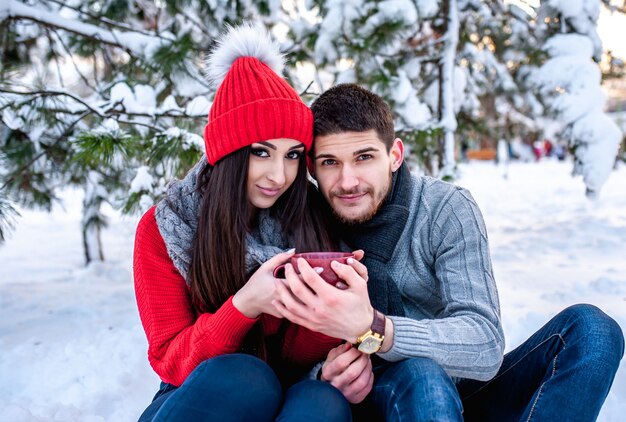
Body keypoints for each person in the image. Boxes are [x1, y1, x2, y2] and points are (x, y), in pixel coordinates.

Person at [272, 83, 625, 421]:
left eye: (364, 157)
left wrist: (375, 329)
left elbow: (485, 343)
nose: (348, 181)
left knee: (593, 331)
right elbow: (275, 348)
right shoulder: (304, 222)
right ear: (311, 168)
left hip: (465, 391)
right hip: (375, 396)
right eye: (330, 162)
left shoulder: (444, 209)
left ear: (395, 155)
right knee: (421, 374)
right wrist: (321, 376)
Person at [133, 25, 353, 421]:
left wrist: (325, 304)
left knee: (323, 403)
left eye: (292, 155)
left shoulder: (310, 215)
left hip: (289, 387)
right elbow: (170, 360)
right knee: (247, 377)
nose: (279, 176)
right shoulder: (166, 226)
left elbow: (293, 358)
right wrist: (244, 306)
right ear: (228, 153)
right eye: (261, 152)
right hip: (198, 394)